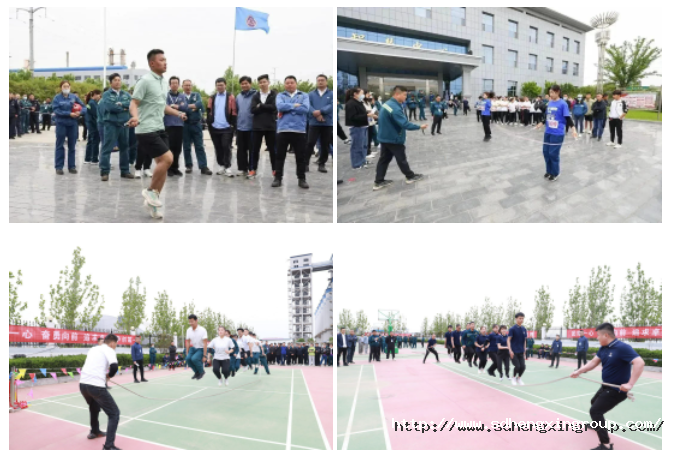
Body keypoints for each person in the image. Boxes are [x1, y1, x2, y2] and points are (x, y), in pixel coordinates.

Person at [129, 50, 188, 219]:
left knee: (162, 168)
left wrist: (178, 113)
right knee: (168, 159)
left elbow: (162, 106)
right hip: (145, 129)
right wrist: (135, 117)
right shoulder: (145, 81)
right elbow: (134, 103)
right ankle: (150, 192)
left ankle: (153, 203)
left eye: (165, 60)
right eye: (161, 60)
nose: (165, 62)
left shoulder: (163, 83)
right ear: (152, 63)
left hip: (159, 127)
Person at [571, 323, 645, 450]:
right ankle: (597, 424)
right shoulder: (603, 348)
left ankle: (605, 445)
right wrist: (579, 371)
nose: (597, 338)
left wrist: (630, 384)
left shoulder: (622, 347)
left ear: (606, 335)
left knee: (595, 411)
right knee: (594, 402)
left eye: (598, 335)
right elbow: (594, 362)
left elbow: (639, 363)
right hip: (605, 386)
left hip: (617, 390)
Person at [372, 86, 426, 191]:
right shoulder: (395, 108)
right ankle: (410, 176)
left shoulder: (387, 104)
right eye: (404, 95)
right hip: (393, 138)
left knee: (384, 159)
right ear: (397, 94)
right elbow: (405, 124)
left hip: (385, 137)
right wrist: (419, 127)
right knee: (401, 159)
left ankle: (378, 181)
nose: (406, 97)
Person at [80, 334, 122, 450]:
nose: (115, 346)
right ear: (112, 343)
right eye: (116, 344)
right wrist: (109, 375)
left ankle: (94, 431)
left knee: (94, 407)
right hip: (96, 386)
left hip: (83, 384)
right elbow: (114, 367)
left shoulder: (93, 349)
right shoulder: (109, 350)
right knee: (114, 413)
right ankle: (109, 446)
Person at [272, 76, 310, 189]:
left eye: (292, 82)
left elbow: (305, 109)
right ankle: (278, 178)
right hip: (283, 129)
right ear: (285, 85)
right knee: (280, 156)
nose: (289, 85)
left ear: (296, 84)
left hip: (299, 130)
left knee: (300, 157)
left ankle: (301, 179)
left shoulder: (304, 95)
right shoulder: (280, 95)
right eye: (287, 83)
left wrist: (288, 107)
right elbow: (280, 106)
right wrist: (295, 105)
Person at [535, 85, 578, 182]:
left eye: (552, 92)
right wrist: (541, 123)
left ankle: (555, 173)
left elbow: (567, 118)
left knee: (553, 154)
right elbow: (547, 116)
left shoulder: (563, 104)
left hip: (557, 133)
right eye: (549, 92)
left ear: (558, 92)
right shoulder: (550, 103)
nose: (550, 94)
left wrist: (573, 129)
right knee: (546, 152)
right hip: (548, 131)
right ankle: (549, 171)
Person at [99, 73, 134, 182]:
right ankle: (105, 172)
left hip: (124, 124)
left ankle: (125, 171)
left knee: (124, 147)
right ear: (111, 83)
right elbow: (110, 107)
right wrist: (123, 108)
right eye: (115, 80)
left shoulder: (126, 94)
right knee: (107, 148)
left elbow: (131, 105)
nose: (118, 82)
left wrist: (120, 105)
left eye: (119, 80)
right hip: (111, 124)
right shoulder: (106, 94)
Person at [52, 81, 86, 175]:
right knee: (60, 145)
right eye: (64, 86)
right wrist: (68, 114)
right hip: (61, 123)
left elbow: (84, 107)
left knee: (72, 146)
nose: (66, 88)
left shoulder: (74, 97)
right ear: (61, 87)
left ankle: (72, 166)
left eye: (68, 86)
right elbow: (56, 110)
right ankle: (59, 167)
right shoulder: (57, 98)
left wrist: (80, 112)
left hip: (72, 124)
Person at [250, 74, 278, 178]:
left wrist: (261, 105)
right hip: (257, 126)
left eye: (264, 82)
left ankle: (275, 170)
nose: (262, 84)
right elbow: (252, 110)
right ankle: (253, 169)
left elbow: (274, 108)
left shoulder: (274, 95)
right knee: (255, 149)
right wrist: (267, 107)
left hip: (270, 126)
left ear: (268, 82)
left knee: (273, 150)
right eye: (260, 82)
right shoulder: (256, 96)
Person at [306, 74, 333, 174]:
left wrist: (321, 111)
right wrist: (315, 113)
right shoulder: (311, 94)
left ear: (326, 81)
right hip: (314, 122)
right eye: (318, 80)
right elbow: (308, 105)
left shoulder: (332, 94)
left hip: (327, 123)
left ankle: (322, 164)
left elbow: (331, 106)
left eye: (322, 80)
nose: (320, 82)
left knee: (325, 144)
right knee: (310, 143)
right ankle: (305, 164)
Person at [164, 76, 189, 177]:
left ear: (179, 85)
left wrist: (174, 106)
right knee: (169, 148)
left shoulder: (182, 96)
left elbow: (185, 107)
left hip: (179, 125)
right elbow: (165, 108)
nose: (174, 85)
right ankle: (169, 168)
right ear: (170, 85)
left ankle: (175, 168)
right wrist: (178, 107)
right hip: (168, 124)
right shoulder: (166, 95)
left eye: (176, 83)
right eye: (172, 83)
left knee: (178, 148)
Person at [344, 87, 373, 171]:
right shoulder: (351, 103)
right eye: (362, 93)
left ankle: (362, 161)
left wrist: (367, 113)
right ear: (355, 94)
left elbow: (360, 112)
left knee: (363, 145)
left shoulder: (359, 102)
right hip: (356, 127)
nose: (363, 95)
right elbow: (353, 117)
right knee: (357, 146)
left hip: (363, 126)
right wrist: (366, 115)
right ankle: (356, 164)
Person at [235, 76, 256, 177]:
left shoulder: (256, 95)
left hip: (252, 127)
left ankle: (252, 169)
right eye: (242, 84)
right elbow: (237, 110)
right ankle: (242, 168)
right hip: (240, 127)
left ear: (250, 84)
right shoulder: (238, 96)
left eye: (246, 83)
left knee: (252, 150)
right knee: (241, 150)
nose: (244, 85)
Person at [185, 314, 208, 380]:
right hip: (193, 348)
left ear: (196, 320)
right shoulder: (188, 330)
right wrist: (187, 352)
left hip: (201, 348)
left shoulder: (202, 330)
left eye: (192, 321)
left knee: (194, 359)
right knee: (188, 359)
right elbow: (188, 342)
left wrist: (204, 356)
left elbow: (205, 344)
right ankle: (196, 372)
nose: (191, 323)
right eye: (189, 321)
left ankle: (201, 372)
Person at [508, 312, 528, 386]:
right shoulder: (512, 329)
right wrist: (510, 350)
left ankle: (518, 378)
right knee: (517, 366)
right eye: (520, 318)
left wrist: (524, 350)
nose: (521, 320)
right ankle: (513, 378)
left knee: (523, 367)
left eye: (522, 318)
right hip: (514, 351)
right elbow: (508, 340)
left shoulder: (524, 329)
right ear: (516, 319)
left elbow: (524, 341)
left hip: (521, 351)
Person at [84, 90, 102, 165]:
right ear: (95, 95)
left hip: (91, 124)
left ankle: (88, 158)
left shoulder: (91, 102)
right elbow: (96, 114)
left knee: (91, 141)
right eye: (99, 95)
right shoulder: (92, 103)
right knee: (95, 141)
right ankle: (94, 159)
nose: (100, 97)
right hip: (93, 124)